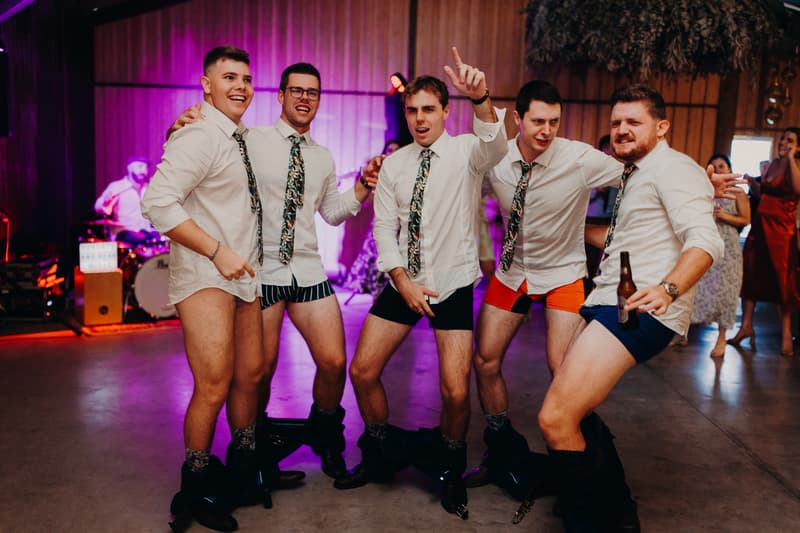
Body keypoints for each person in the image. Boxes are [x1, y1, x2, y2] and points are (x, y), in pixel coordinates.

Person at [168, 62, 376, 480]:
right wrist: (182, 122)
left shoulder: (322, 156)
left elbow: (332, 213)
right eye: (296, 90)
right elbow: (207, 138)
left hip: (307, 269)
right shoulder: (250, 139)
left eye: (312, 92)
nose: (304, 98)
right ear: (279, 96)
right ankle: (255, 453)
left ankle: (326, 437)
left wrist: (363, 186)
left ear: (318, 101)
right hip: (259, 270)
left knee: (334, 362)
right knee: (257, 371)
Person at [537, 85, 723, 532]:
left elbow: (707, 239)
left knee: (556, 416)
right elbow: (626, 240)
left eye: (633, 122)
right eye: (616, 122)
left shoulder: (675, 168)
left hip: (640, 308)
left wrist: (668, 288)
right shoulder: (636, 173)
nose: (621, 129)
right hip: (609, 302)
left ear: (661, 127)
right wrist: (571, 226)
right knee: (571, 407)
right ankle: (616, 507)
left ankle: (591, 519)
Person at [334, 47, 508, 521]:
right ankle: (380, 454)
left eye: (428, 108)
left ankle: (450, 468)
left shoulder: (469, 152)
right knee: (362, 371)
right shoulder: (393, 164)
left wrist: (483, 99)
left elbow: (497, 146)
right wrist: (400, 280)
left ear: (446, 111)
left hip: (451, 285)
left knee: (455, 391)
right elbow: (382, 228)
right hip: (403, 282)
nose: (419, 118)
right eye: (411, 110)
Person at [465, 80, 623, 497]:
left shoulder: (580, 158)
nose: (547, 130)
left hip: (563, 273)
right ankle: (499, 449)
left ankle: (582, 467)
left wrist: (694, 187)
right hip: (512, 271)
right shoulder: (495, 157)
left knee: (564, 372)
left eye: (554, 121)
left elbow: (636, 172)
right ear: (518, 118)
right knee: (484, 361)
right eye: (538, 121)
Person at [141, 45, 265, 533]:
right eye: (229, 77)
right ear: (206, 84)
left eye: (247, 79)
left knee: (249, 375)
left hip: (244, 275)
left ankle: (241, 472)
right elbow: (157, 203)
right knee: (213, 385)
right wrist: (216, 251)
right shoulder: (198, 135)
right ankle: (197, 486)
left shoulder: (238, 136)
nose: (241, 86)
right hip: (208, 275)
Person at [729, 127, 800, 357]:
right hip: (760, 226)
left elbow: (797, 189)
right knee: (751, 273)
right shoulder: (771, 165)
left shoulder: (794, 165)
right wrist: (753, 183)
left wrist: (790, 159)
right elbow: (765, 194)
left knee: (782, 280)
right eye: (782, 139)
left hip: (782, 231)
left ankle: (786, 333)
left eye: (790, 141)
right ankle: (746, 326)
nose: (784, 143)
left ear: (798, 147)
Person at [685, 154, 750, 357]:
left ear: (729, 169)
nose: (718, 169)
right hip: (705, 240)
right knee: (695, 286)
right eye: (713, 166)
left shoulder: (738, 193)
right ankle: (681, 332)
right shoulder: (703, 191)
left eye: (722, 166)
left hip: (728, 245)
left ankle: (721, 338)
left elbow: (745, 219)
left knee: (726, 291)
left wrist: (723, 216)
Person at [94, 156, 159, 244]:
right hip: (125, 232)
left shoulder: (149, 188)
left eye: (146, 167)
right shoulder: (117, 187)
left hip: (146, 231)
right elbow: (97, 207)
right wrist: (105, 202)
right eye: (140, 166)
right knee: (137, 239)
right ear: (129, 168)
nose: (144, 171)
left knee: (164, 238)